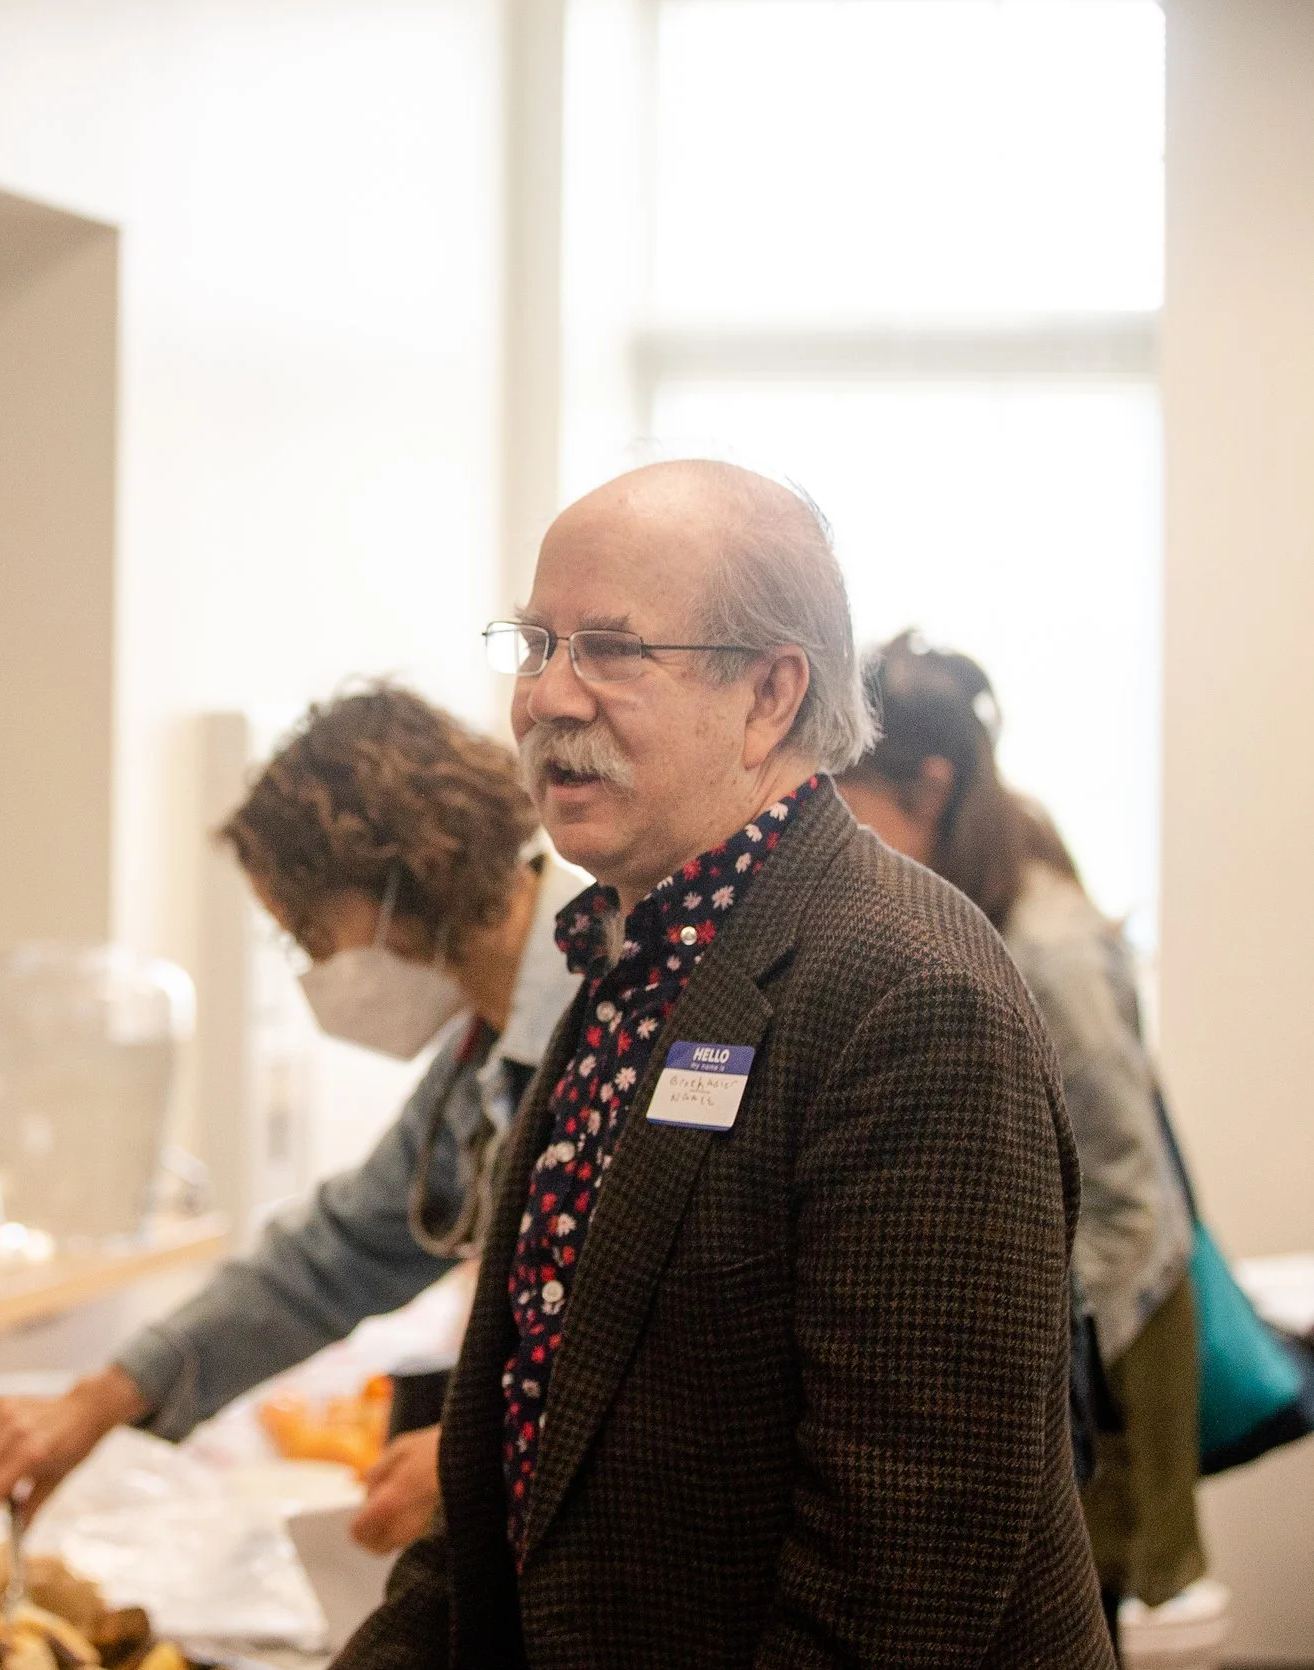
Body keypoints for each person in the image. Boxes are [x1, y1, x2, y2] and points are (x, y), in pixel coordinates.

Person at [336, 461, 1113, 1669]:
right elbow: (515, 1461)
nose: (543, 695)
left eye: (608, 648)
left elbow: (897, 1587)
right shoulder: (627, 954)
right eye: (535, 641)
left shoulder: (910, 997)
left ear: (769, 693)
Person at [0, 684, 585, 1553]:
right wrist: (100, 1400)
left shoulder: (628, 1005)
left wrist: (485, 1451)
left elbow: (674, 1339)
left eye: (308, 933)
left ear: (404, 877)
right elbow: (333, 1258)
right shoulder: (481, 1059)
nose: (313, 969)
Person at [840, 633, 1202, 1645]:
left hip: (1102, 1362)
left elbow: (1133, 1206)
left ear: (931, 785)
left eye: (850, 804)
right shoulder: (966, 898)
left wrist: (1001, 1331)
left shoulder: (1047, 946)